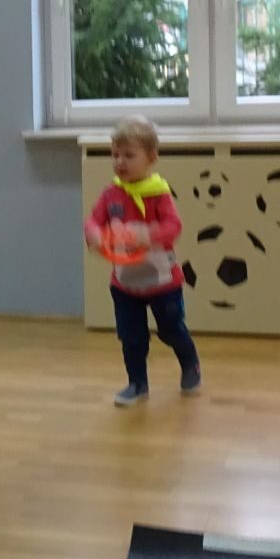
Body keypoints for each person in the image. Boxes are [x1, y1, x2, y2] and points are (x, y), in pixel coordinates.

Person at [83, 116, 201, 406]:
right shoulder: (111, 194)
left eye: (129, 155)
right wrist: (94, 235)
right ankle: (137, 384)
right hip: (125, 284)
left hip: (164, 283)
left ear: (151, 158)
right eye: (115, 155)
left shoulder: (159, 194)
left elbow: (174, 227)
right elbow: (93, 221)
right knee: (131, 337)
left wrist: (146, 235)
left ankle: (190, 364)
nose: (120, 161)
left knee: (171, 330)